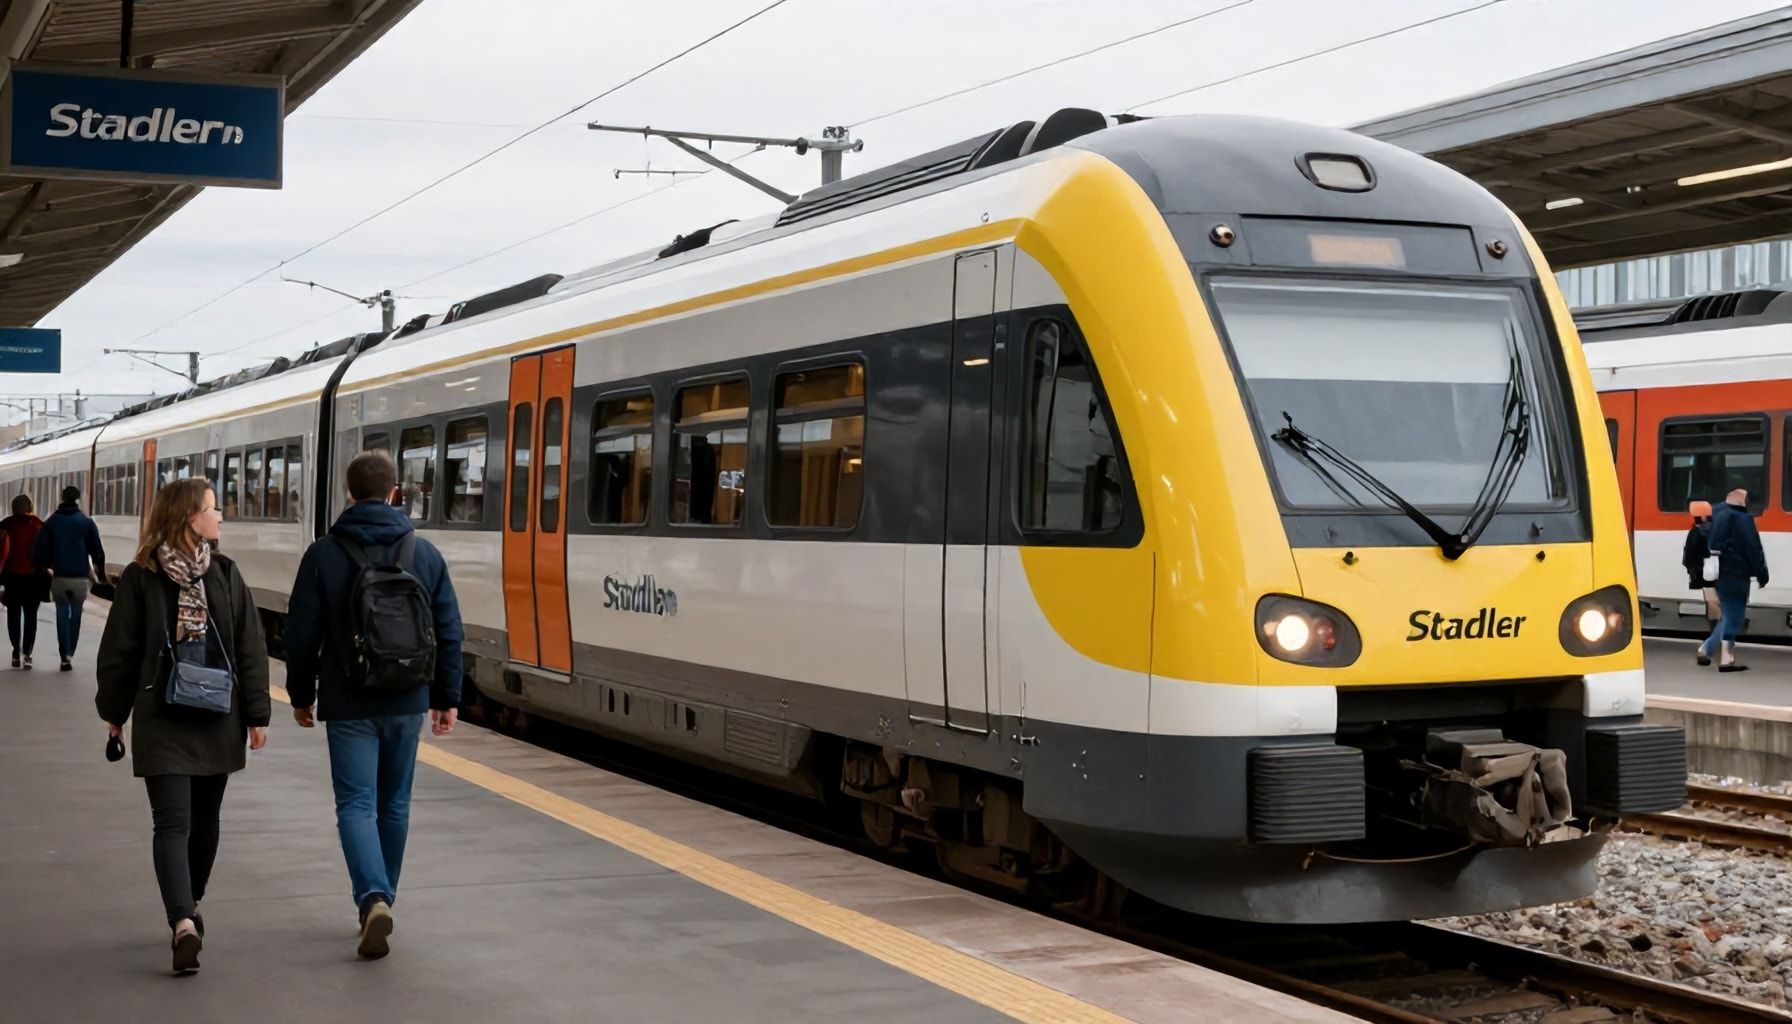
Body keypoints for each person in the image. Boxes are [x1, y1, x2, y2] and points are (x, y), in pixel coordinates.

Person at [284, 452, 463, 960]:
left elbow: (301, 633)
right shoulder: (424, 553)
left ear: (349, 491)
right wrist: (446, 697)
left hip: (349, 701)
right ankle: (384, 899)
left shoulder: (323, 553)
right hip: (408, 699)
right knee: (395, 805)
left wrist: (302, 695)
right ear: (394, 492)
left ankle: (373, 898)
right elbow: (449, 630)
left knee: (356, 803)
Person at [93, 479, 270, 975]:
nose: (220, 518)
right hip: (216, 714)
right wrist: (256, 714)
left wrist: (115, 710)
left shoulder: (140, 576)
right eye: (214, 510)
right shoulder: (225, 574)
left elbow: (119, 654)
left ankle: (183, 919)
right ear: (191, 517)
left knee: (174, 824)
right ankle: (189, 907)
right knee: (201, 822)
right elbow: (249, 649)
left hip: (165, 716)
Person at [33, 484, 106, 671]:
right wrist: (101, 574)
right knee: (76, 615)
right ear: (77, 499)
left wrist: (45, 566)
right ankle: (71, 651)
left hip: (60, 577)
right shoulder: (86, 522)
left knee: (62, 615)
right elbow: (97, 552)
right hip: (80, 578)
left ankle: (64, 656)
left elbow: (39, 551)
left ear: (62, 498)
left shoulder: (52, 522)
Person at [1699, 487, 1771, 672]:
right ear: (1741, 502)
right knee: (1734, 616)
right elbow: (1753, 550)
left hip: (1718, 573)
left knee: (1728, 615)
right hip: (1737, 573)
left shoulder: (1713, 515)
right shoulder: (1743, 519)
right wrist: (1762, 574)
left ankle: (1706, 649)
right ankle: (1726, 660)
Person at [1, 494, 45, 669]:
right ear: (29, 507)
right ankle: (27, 653)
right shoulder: (38, 525)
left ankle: (15, 652)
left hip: (11, 577)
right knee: (31, 616)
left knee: (13, 615)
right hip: (33, 578)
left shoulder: (5, 525)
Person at [1681, 500, 1721, 630]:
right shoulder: (1717, 528)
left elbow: (1691, 554)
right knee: (1715, 600)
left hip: (1707, 570)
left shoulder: (1698, 532)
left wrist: (1692, 571)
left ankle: (1715, 629)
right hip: (1717, 569)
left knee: (1712, 601)